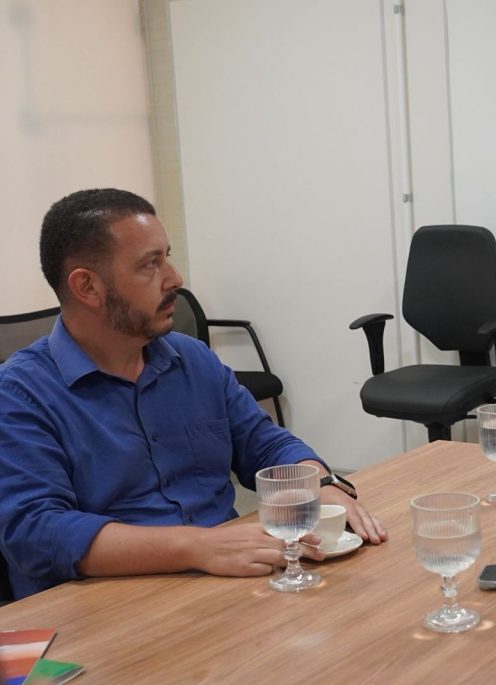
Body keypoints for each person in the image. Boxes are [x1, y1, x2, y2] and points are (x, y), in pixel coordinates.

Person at [0, 188, 388, 599]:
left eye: (166, 256)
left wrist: (320, 484)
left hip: (225, 583)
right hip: (106, 604)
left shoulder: (191, 359)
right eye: (150, 264)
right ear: (87, 287)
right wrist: (197, 547)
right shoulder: (20, 394)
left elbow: (264, 443)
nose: (175, 279)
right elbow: (35, 532)